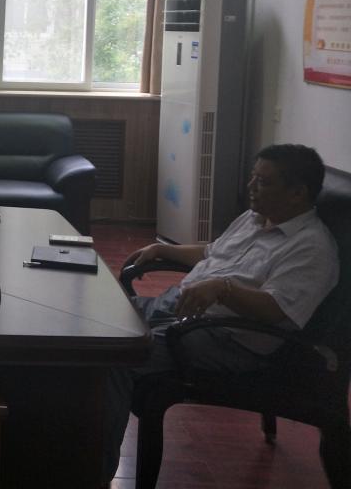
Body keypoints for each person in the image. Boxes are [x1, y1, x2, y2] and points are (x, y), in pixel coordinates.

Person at [102, 143, 339, 485]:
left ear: (297, 193)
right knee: (96, 320)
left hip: (223, 339)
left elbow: (276, 310)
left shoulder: (311, 248)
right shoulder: (255, 218)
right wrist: (162, 249)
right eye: (253, 178)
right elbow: (213, 253)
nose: (251, 187)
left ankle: (94, 468)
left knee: (113, 355)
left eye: (263, 182)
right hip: (179, 308)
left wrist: (223, 288)